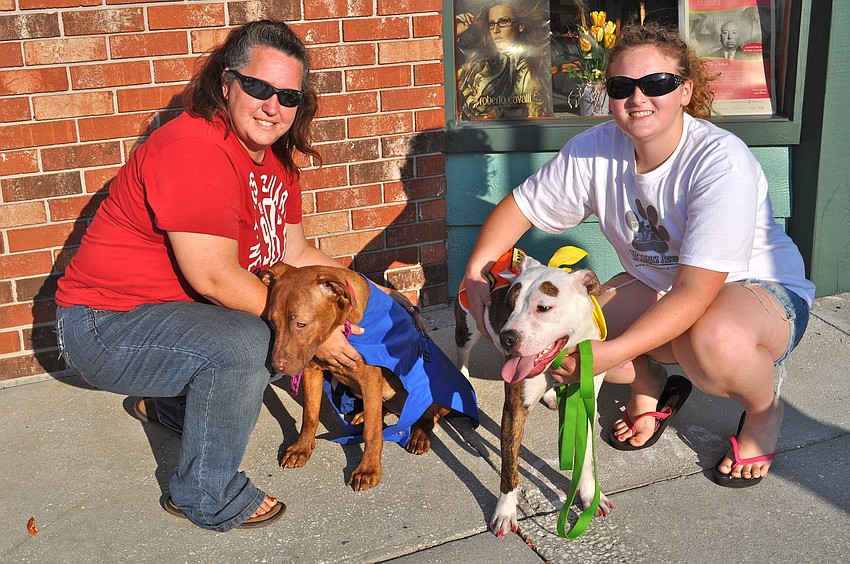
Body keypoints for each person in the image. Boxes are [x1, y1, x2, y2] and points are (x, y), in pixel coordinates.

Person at [54, 20, 416, 532]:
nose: (273, 105)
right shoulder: (194, 148)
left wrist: (375, 294)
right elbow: (216, 279)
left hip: (167, 322)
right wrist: (325, 334)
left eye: (288, 95)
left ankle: (174, 410)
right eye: (259, 87)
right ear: (226, 83)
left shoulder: (276, 163)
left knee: (279, 333)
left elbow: (297, 252)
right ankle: (205, 494)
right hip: (103, 327)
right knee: (254, 341)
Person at [461, 23, 815, 488]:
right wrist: (475, 272)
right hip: (662, 286)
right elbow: (520, 208)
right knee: (566, 330)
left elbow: (694, 293)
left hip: (755, 293)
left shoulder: (719, 161)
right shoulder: (596, 148)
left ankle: (764, 409)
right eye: (621, 86)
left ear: (685, 90)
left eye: (657, 84)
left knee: (708, 341)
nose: (637, 98)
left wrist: (606, 356)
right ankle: (648, 382)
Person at [455, 1, 552, 119]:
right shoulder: (479, 60)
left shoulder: (527, 74)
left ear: (520, 26)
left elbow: (538, 120)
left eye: (503, 21)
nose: (495, 30)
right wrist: (456, 33)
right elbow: (449, 83)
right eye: (491, 24)